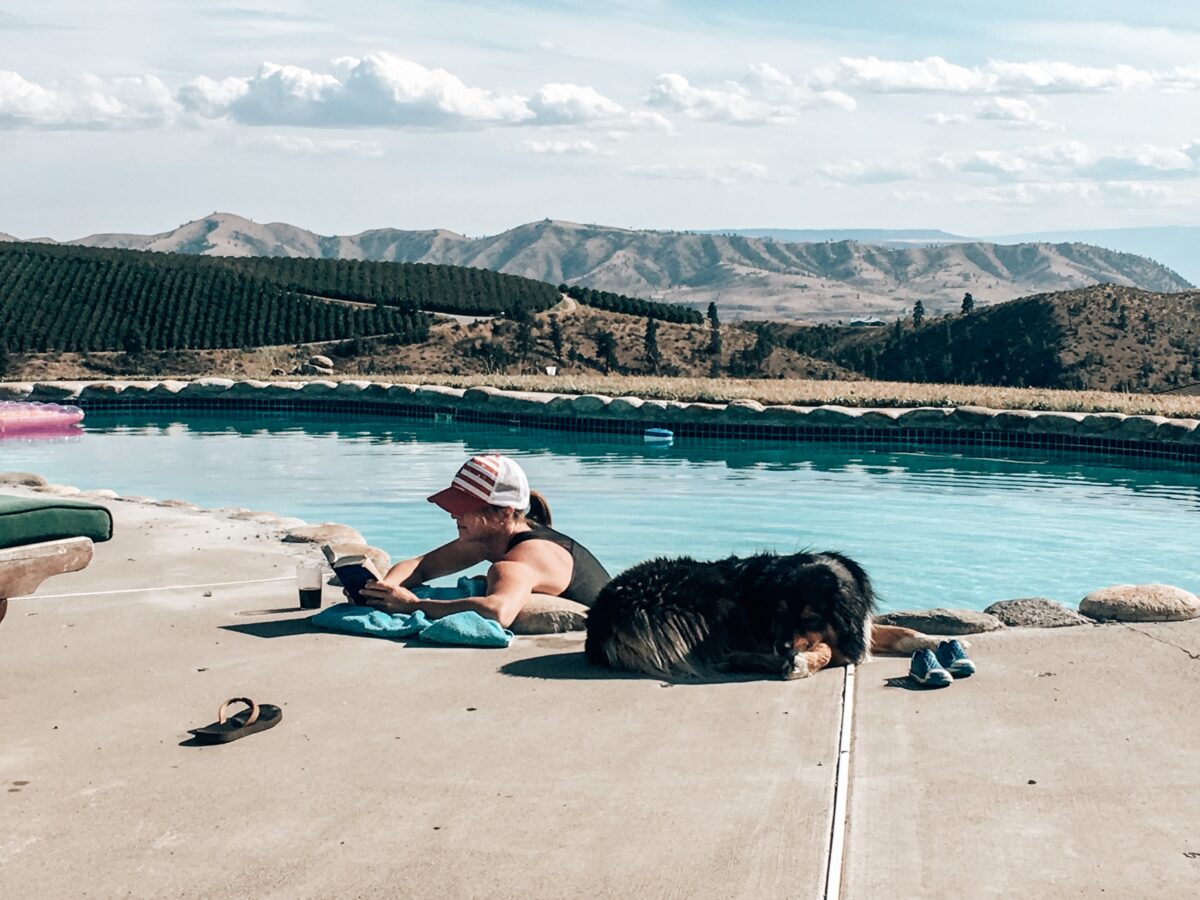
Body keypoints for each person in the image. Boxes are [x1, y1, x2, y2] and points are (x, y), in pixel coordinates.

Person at [359, 454, 612, 628]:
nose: (453, 514)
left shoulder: (520, 560)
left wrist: (412, 605)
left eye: (464, 507)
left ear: (504, 513)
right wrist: (382, 590)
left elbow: (497, 611)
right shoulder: (492, 537)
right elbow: (422, 565)